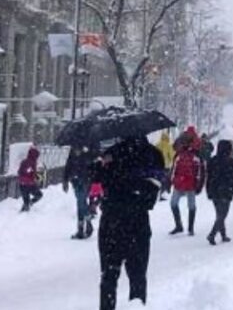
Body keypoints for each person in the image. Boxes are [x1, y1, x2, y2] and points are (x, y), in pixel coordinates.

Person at [94, 134, 164, 310]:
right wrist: (135, 190)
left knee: (109, 276)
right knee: (138, 276)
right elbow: (151, 197)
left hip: (111, 222)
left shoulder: (110, 155)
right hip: (137, 222)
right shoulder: (153, 155)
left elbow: (97, 182)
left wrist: (104, 171)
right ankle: (137, 305)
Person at [169, 138, 205, 236]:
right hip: (186, 184)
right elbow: (174, 169)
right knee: (181, 205)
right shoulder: (182, 155)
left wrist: (171, 180)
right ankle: (186, 227)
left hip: (186, 184)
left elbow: (200, 172)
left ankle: (186, 227)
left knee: (177, 204)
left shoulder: (193, 155)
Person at [206, 140, 233, 245]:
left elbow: (209, 176)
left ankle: (223, 235)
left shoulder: (212, 160)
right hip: (226, 190)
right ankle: (212, 234)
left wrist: (208, 190)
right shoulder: (230, 161)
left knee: (219, 214)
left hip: (214, 190)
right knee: (222, 214)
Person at [64, 144, 98, 239]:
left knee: (81, 202)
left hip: (85, 182)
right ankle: (83, 227)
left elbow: (92, 167)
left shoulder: (86, 155)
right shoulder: (72, 156)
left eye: (78, 149)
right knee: (81, 203)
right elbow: (68, 167)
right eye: (75, 149)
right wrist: (65, 180)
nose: (76, 151)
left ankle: (84, 227)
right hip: (75, 182)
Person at [18, 146, 43, 212]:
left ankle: (25, 209)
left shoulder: (24, 161)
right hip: (29, 184)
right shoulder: (32, 163)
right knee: (39, 195)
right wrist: (35, 178)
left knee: (26, 201)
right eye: (37, 156)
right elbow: (30, 172)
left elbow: (20, 172)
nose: (37, 158)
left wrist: (35, 176)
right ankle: (29, 203)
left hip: (22, 184)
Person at [155, 131, 175, 201]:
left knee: (158, 180)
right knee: (164, 181)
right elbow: (172, 156)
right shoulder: (168, 146)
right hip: (166, 166)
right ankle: (162, 194)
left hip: (158, 165)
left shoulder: (157, 145)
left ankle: (157, 193)